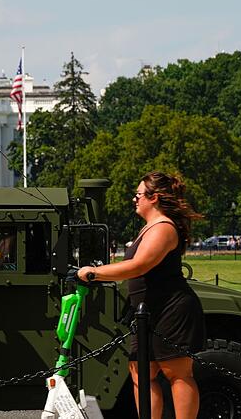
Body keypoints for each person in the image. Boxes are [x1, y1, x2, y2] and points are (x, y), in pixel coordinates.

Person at [78, 171, 205, 419]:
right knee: (140, 372)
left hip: (171, 310)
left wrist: (94, 273)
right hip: (147, 313)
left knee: (177, 373)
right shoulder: (150, 228)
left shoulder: (163, 228)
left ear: (153, 197)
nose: (134, 200)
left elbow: (140, 265)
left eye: (138, 195)